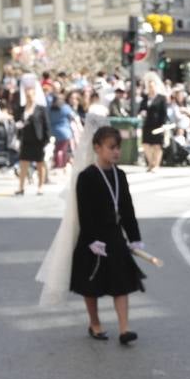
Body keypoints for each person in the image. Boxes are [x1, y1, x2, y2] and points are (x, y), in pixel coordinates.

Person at [70, 126, 144, 345]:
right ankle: (95, 322)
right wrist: (92, 240)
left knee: (121, 283)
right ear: (97, 147)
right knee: (91, 285)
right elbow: (85, 212)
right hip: (93, 237)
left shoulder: (120, 175)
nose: (116, 152)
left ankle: (124, 329)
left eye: (118, 148)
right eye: (111, 147)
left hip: (114, 236)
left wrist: (134, 236)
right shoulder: (87, 176)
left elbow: (127, 208)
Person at [16, 82, 49, 196]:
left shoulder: (41, 109)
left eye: (30, 95)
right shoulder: (22, 109)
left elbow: (46, 125)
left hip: (38, 140)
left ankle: (40, 186)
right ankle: (21, 187)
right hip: (25, 139)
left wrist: (47, 140)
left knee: (40, 163)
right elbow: (17, 121)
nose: (28, 97)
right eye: (26, 95)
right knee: (23, 163)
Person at [140, 73, 169, 172]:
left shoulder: (161, 98)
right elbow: (142, 108)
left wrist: (164, 124)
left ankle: (156, 164)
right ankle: (150, 163)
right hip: (147, 123)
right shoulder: (145, 98)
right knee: (146, 144)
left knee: (157, 145)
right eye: (149, 86)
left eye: (152, 86)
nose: (151, 88)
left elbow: (164, 112)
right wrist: (142, 112)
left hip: (158, 124)